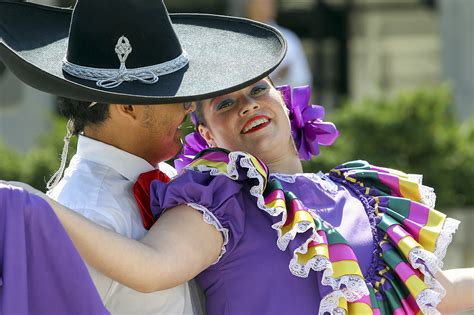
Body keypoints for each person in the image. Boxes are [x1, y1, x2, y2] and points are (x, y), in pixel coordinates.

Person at [5, 78, 473, 315]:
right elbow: (149, 270)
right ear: (206, 133)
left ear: (286, 103)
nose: (248, 104)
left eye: (258, 90)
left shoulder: (362, 192)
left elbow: (428, 293)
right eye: (224, 104)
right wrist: (36, 204)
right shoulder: (219, 197)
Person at [0, 0, 286, 313]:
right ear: (128, 107)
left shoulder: (181, 183)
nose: (189, 107)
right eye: (173, 96)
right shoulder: (87, 213)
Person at [245, 0, 313, 87]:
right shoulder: (239, 39)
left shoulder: (287, 38)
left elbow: (285, 70)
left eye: (266, 4)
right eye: (258, 3)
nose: (262, 8)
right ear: (248, 7)